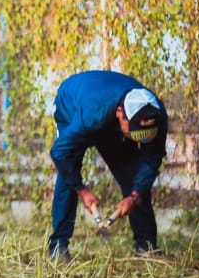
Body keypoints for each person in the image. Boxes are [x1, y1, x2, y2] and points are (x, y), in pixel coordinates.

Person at [48, 70, 168, 261]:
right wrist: (82, 189)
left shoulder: (156, 114)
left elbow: (151, 160)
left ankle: (146, 246)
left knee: (134, 176)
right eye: (136, 133)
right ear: (121, 114)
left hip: (111, 121)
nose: (140, 139)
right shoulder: (91, 115)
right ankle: (58, 246)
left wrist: (135, 196)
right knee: (69, 171)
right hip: (71, 104)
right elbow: (60, 153)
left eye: (144, 135)